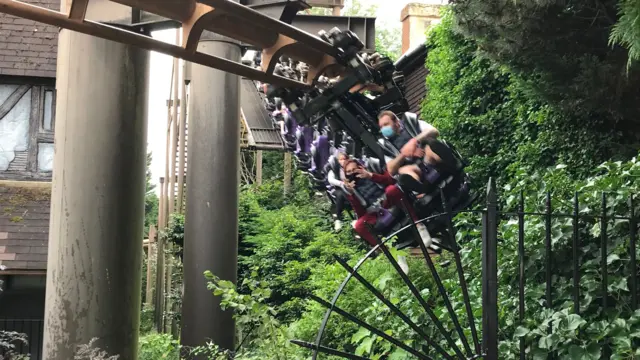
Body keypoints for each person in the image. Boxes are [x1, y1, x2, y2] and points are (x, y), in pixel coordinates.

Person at [342, 160, 433, 274]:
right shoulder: (351, 189)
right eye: (349, 172)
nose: (352, 173)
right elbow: (360, 213)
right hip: (375, 212)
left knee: (392, 189)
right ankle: (393, 253)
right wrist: (351, 194)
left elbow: (391, 180)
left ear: (360, 167)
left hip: (388, 201)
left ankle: (419, 225)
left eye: (354, 169)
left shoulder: (371, 170)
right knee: (359, 225)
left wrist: (370, 176)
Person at [378, 111, 439, 181]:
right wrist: (403, 154)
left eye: (386, 124)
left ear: (396, 122)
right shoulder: (386, 144)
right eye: (381, 127)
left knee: (431, 148)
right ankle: (421, 190)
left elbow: (434, 131)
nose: (383, 129)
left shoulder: (410, 122)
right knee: (403, 170)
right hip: (414, 168)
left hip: (428, 156)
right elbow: (391, 170)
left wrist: (414, 141)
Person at [326, 151, 351, 231]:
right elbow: (331, 179)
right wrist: (341, 183)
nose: (343, 161)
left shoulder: (351, 167)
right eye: (341, 159)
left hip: (351, 187)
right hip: (338, 189)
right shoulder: (335, 169)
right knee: (340, 195)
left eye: (344, 159)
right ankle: (338, 218)